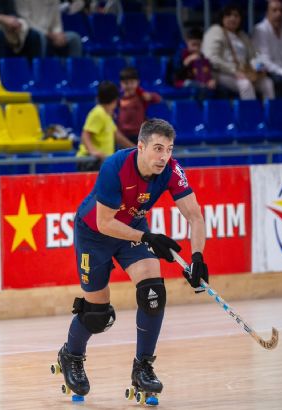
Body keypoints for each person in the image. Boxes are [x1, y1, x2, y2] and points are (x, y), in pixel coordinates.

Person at [56, 118, 209, 401]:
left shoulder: (172, 170)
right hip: (94, 234)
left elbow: (195, 216)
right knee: (97, 315)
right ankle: (71, 355)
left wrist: (198, 258)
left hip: (133, 230)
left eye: (169, 149)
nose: (164, 157)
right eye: (158, 149)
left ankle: (143, 368)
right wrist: (149, 238)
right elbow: (104, 223)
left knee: (154, 291)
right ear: (140, 146)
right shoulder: (115, 167)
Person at [202, 4, 275, 100]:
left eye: (236, 16)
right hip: (221, 73)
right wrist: (234, 71)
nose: (233, 18)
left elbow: (253, 55)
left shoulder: (242, 35)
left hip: (244, 72)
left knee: (267, 83)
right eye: (228, 15)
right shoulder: (215, 31)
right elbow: (211, 58)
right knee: (245, 84)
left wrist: (260, 66)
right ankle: (250, 114)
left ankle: (270, 114)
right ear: (222, 17)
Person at [76, 81, 134, 172]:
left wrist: (135, 149)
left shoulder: (107, 115)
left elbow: (118, 136)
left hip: (103, 162)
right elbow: (85, 134)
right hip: (91, 161)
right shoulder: (98, 113)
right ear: (115, 99)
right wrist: (93, 151)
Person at [15, 0, 82, 57]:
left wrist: (58, 33)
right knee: (39, 37)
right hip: (28, 32)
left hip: (51, 34)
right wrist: (47, 34)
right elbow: (24, 20)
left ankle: (73, 70)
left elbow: (56, 21)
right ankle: (41, 69)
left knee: (74, 38)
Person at [118, 67, 162, 145]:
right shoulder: (118, 98)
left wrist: (150, 96)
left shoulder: (141, 96)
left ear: (137, 82)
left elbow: (158, 99)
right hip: (123, 135)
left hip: (139, 134)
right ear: (121, 83)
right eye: (126, 83)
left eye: (132, 83)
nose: (129, 86)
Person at [173, 27, 217, 99]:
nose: (196, 48)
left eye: (199, 45)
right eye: (193, 44)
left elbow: (207, 74)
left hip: (201, 84)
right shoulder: (180, 55)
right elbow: (175, 76)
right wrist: (186, 62)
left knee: (219, 89)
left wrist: (211, 80)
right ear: (187, 42)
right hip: (184, 82)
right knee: (192, 84)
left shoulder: (203, 57)